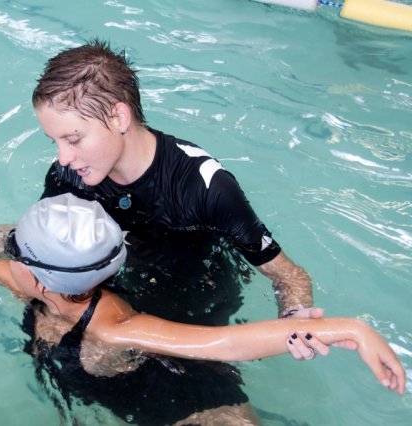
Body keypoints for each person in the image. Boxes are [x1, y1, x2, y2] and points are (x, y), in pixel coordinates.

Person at [0, 188, 405, 425]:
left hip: (196, 411)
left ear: (35, 270)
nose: (1, 247)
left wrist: (351, 328)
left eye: (13, 246)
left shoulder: (114, 325)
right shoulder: (28, 284)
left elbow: (221, 345)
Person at [31, 39, 341, 356]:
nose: (63, 157)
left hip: (194, 296)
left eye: (73, 139)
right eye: (55, 141)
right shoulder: (69, 174)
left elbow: (288, 275)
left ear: (119, 117)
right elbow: (37, 246)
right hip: (111, 290)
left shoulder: (204, 187)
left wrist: (293, 319)